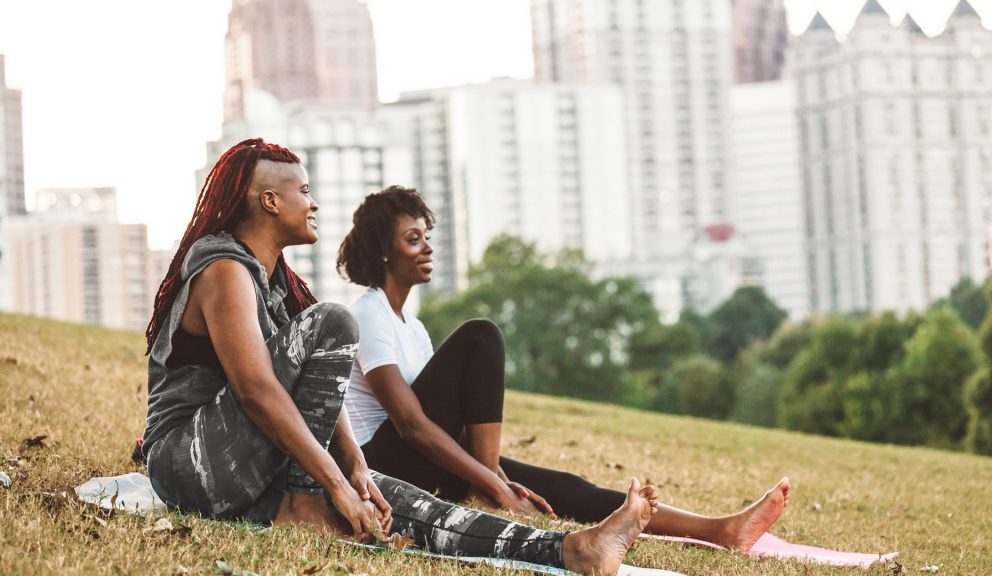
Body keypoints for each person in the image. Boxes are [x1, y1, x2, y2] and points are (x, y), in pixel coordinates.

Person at [140, 138, 661, 575]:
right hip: (190, 464)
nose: (314, 204)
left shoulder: (277, 285)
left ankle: (574, 551)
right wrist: (328, 483)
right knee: (332, 321)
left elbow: (319, 395)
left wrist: (356, 469)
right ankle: (302, 505)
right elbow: (257, 391)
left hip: (251, 466)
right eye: (304, 191)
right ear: (270, 202)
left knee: (409, 503)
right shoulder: (224, 270)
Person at [337, 185, 790, 551]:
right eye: (412, 239)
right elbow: (412, 424)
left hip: (422, 458)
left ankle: (719, 530)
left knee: (565, 488)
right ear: (383, 252)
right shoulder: (370, 313)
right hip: (383, 467)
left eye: (426, 236)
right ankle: (490, 492)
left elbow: (440, 422)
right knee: (480, 336)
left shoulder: (413, 328)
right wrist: (496, 485)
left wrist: (501, 479)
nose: (428, 247)